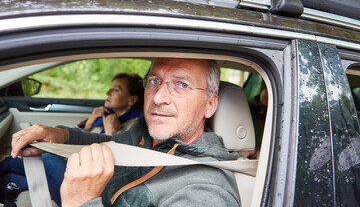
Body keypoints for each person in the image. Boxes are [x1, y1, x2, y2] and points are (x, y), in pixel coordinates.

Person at [10, 58, 241, 207]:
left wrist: (84, 202)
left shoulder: (205, 192)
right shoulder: (145, 135)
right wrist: (61, 135)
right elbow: (111, 143)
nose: (158, 97)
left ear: (210, 105)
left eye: (182, 85)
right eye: (155, 80)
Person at [0, 73, 145, 205]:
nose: (108, 92)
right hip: (75, 163)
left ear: (132, 99)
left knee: (47, 158)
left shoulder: (134, 124)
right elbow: (88, 141)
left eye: (116, 90)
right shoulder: (105, 115)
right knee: (13, 179)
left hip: (94, 180)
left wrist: (113, 131)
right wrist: (89, 124)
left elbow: (122, 155)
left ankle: (4, 162)